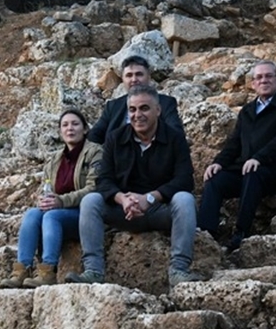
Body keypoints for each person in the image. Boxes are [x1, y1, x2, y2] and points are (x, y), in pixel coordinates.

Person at [69, 84, 200, 286]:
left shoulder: (175, 138)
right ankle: (93, 270)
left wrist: (150, 198)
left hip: (160, 209)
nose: (137, 115)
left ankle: (179, 270)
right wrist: (122, 199)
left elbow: (185, 180)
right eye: (132, 109)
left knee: (185, 199)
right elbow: (103, 180)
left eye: (144, 108)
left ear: (158, 110)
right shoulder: (115, 138)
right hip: (124, 210)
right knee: (90, 201)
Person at [199, 61, 276, 251]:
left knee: (253, 174)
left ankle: (241, 234)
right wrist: (219, 163)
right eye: (259, 77)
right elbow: (234, 142)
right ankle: (204, 236)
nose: (263, 80)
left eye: (268, 76)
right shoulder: (247, 111)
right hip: (246, 169)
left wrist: (259, 158)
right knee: (215, 180)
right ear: (253, 84)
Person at [2, 108, 103, 288]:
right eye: (65, 125)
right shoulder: (54, 159)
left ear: (85, 129)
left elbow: (94, 187)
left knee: (51, 216)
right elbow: (46, 188)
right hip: (60, 211)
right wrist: (44, 200)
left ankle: (47, 271)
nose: (69, 128)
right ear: (60, 131)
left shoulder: (95, 152)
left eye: (75, 124)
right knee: (32, 214)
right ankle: (21, 270)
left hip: (84, 213)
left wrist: (61, 201)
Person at [86, 54, 183, 144]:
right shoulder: (113, 106)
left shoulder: (165, 103)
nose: (134, 80)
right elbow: (94, 136)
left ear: (148, 77)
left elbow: (175, 132)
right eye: (129, 75)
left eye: (139, 74)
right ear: (123, 80)